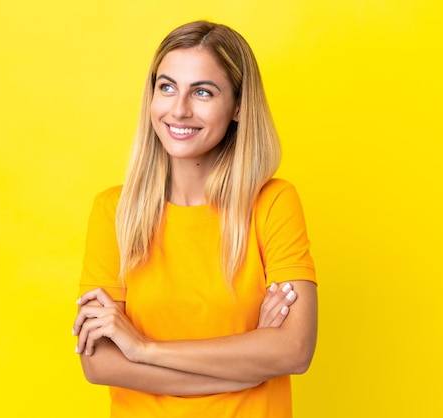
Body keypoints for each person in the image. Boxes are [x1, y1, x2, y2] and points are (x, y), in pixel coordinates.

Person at [72, 20, 317, 417]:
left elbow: (294, 350)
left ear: (238, 106)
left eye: (202, 92)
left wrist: (143, 349)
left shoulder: (272, 203)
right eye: (166, 87)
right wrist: (246, 370)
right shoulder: (113, 212)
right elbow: (99, 363)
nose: (179, 109)